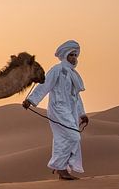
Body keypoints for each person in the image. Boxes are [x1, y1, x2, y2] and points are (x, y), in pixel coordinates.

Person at [22, 40, 88, 180]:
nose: (74, 58)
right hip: (58, 109)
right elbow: (44, 86)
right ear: (65, 56)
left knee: (62, 139)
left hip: (70, 110)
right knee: (73, 136)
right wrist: (31, 100)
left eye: (75, 55)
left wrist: (82, 114)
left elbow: (76, 96)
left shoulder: (73, 74)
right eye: (71, 55)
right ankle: (59, 166)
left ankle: (62, 169)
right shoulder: (57, 70)